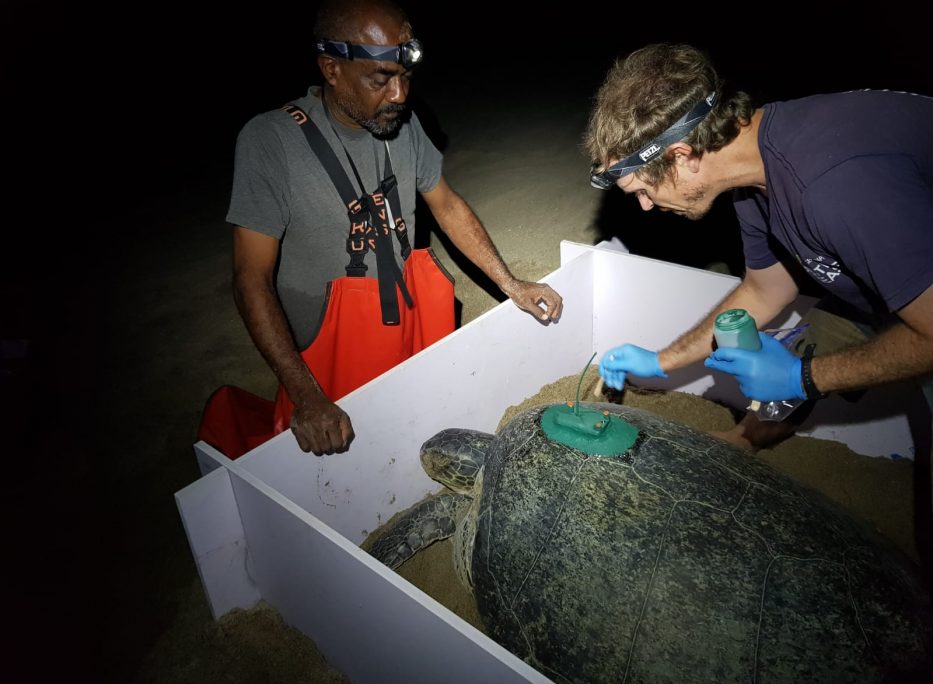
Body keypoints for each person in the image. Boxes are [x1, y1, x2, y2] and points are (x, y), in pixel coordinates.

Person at [203, 0, 562, 459]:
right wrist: (305, 394)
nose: (399, 95)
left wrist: (511, 284)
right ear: (331, 69)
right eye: (381, 79)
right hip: (329, 349)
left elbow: (447, 204)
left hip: (409, 319)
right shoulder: (270, 141)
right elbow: (250, 278)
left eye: (405, 77)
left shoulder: (401, 125)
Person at [585, 43, 933, 452]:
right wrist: (660, 361)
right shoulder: (755, 173)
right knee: (811, 340)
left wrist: (802, 378)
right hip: (892, 268)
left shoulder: (834, 187)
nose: (646, 206)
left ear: (682, 156)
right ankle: (747, 439)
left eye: (642, 189)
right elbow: (765, 290)